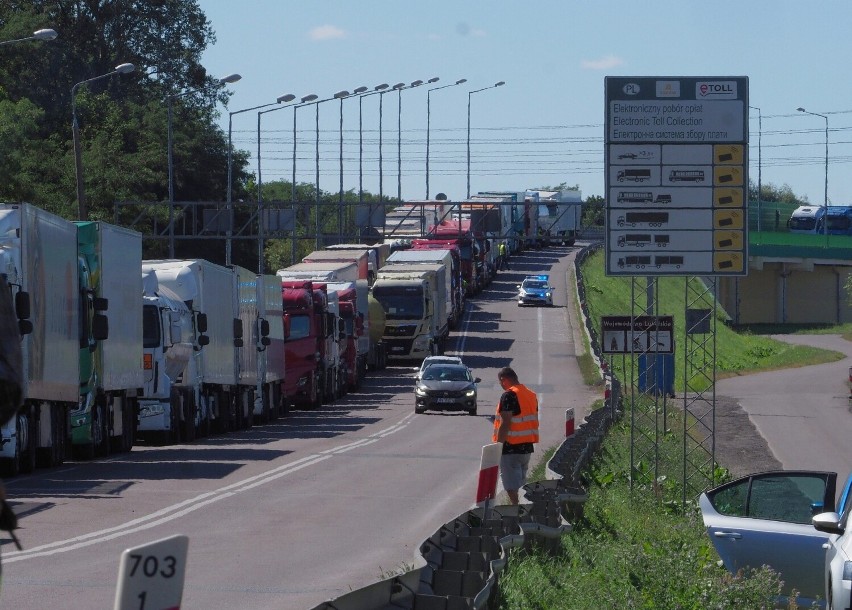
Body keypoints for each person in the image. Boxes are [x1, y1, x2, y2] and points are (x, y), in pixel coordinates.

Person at [492, 367, 539, 505]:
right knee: (522, 485)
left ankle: (518, 512)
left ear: (504, 380)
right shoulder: (530, 394)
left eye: (500, 383)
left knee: (512, 487)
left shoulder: (509, 395)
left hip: (510, 449)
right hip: (526, 447)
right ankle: (524, 510)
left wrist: (498, 446)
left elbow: (506, 422)